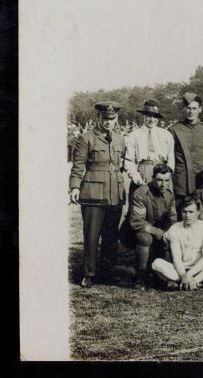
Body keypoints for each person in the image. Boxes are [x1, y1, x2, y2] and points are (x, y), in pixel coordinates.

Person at [69, 101, 127, 288]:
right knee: (92, 235)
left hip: (115, 193)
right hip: (93, 192)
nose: (109, 122)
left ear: (116, 118)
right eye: (105, 118)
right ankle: (89, 273)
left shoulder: (120, 139)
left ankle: (108, 273)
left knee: (111, 236)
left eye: (112, 118)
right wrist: (75, 188)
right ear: (99, 118)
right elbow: (78, 165)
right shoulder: (86, 138)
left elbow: (122, 164)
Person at [119, 164, 178, 289]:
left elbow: (172, 219)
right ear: (152, 178)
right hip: (134, 231)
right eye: (160, 180)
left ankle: (163, 275)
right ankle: (141, 276)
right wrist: (158, 232)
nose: (163, 184)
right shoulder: (141, 193)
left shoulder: (170, 195)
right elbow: (137, 222)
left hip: (156, 230)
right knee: (146, 238)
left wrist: (169, 232)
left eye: (167, 180)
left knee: (172, 236)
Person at [151, 197, 203, 290]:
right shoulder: (175, 228)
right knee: (156, 263)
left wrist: (189, 275)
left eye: (191, 212)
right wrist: (183, 275)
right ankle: (193, 282)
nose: (187, 215)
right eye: (184, 211)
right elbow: (176, 259)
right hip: (180, 271)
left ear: (198, 212)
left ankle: (194, 281)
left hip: (201, 270)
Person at [123, 99, 175, 199]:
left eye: (154, 116)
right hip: (142, 173)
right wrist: (137, 180)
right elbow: (129, 161)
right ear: (144, 116)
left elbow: (171, 159)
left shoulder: (166, 135)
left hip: (162, 172)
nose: (151, 119)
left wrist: (166, 177)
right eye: (148, 116)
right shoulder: (134, 135)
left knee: (162, 207)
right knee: (140, 206)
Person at [170, 93, 203, 204]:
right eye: (188, 108)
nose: (191, 111)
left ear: (200, 109)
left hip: (201, 182)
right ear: (184, 109)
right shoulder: (174, 130)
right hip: (181, 183)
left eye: (194, 108)